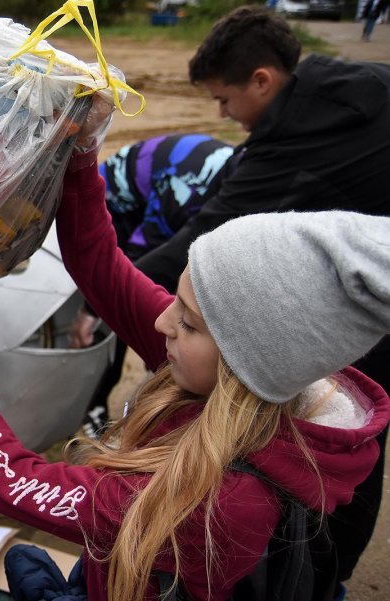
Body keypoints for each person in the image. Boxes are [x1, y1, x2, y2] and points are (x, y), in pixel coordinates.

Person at [0, 133, 390, 600]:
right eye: (177, 297)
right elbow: (100, 267)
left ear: (247, 361)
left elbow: (6, 480)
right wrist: (80, 152)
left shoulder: (225, 504)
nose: (162, 322)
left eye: (190, 323)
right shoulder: (252, 379)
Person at [105, 6, 390, 588]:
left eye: (225, 100)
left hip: (361, 325)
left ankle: (316, 579)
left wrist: (111, 289)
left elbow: (203, 235)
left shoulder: (286, 143)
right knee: (354, 443)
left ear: (263, 80)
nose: (224, 115)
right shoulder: (373, 82)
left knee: (326, 449)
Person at [70, 134, 233, 434]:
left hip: (158, 203)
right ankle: (94, 406)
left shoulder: (233, 189)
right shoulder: (185, 189)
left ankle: (161, 380)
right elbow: (139, 262)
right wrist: (90, 311)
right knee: (121, 314)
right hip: (115, 209)